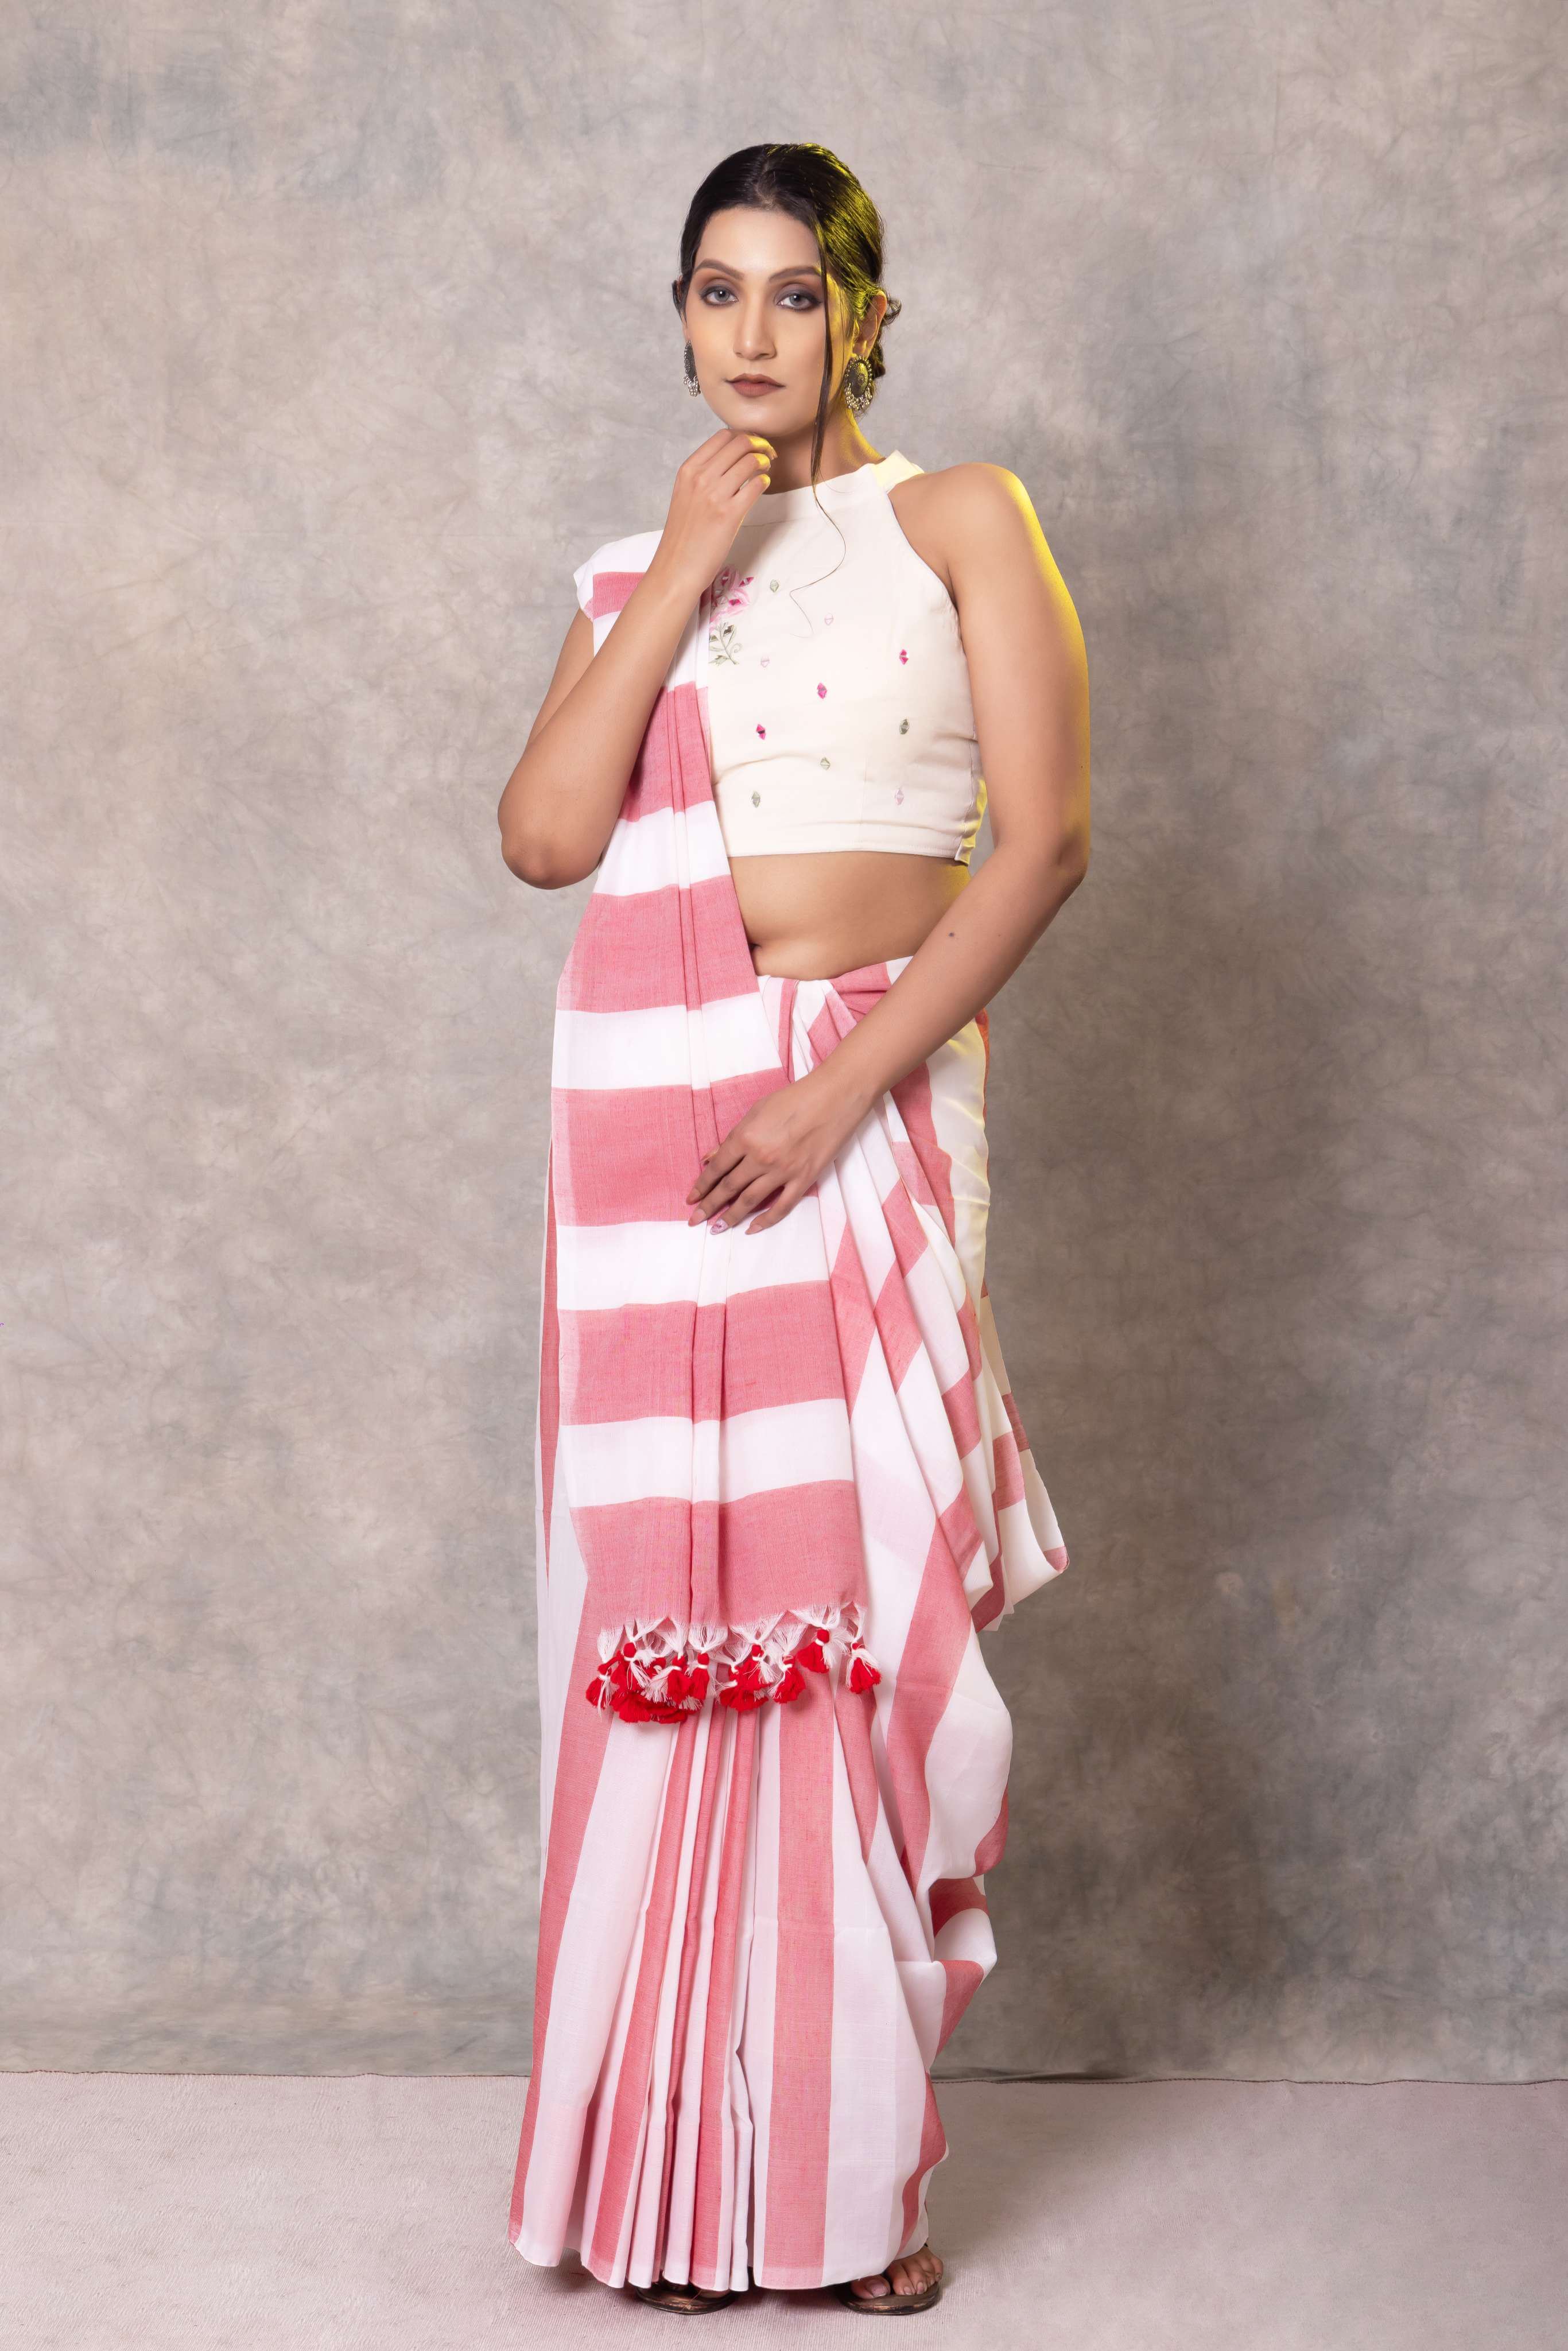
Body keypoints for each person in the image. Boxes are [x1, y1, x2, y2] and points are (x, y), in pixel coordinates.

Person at [496, 141, 1089, 2317]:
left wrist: (841, 1091)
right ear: (679, 314)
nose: (756, 336)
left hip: (863, 1115)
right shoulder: (629, 568)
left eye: (795, 296)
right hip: (660, 1154)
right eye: (716, 294)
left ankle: (848, 2200)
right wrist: (678, 561)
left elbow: (1043, 845)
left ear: (866, 311)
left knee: (847, 1643)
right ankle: (673, 2187)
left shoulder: (962, 521)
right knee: (673, 1656)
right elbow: (548, 836)